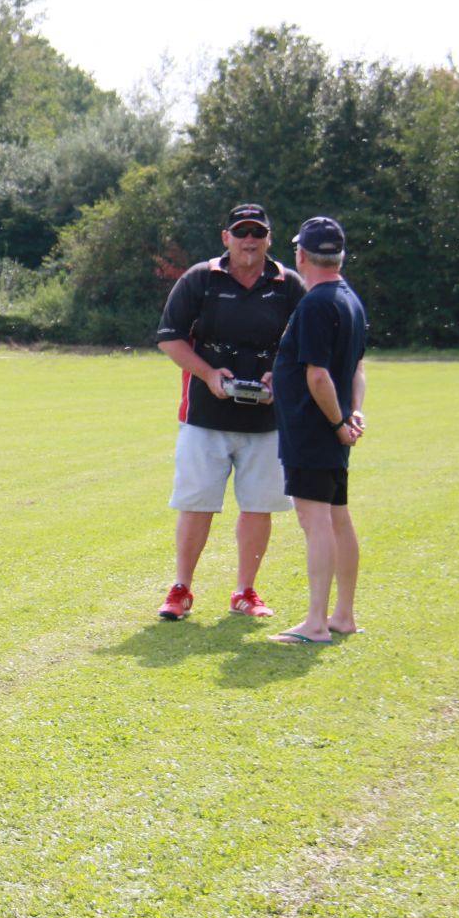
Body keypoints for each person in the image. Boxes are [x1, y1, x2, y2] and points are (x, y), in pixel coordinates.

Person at [154, 205, 307, 621]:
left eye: (257, 232)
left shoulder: (288, 284)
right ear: (226, 237)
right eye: (241, 232)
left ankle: (245, 591)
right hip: (205, 416)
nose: (249, 240)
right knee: (196, 502)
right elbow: (170, 338)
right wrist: (208, 374)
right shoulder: (200, 278)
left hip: (266, 420)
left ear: (269, 238)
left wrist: (279, 376)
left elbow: (306, 343)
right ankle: (181, 588)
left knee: (258, 505)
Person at [269, 215, 369, 645]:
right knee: (337, 516)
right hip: (333, 427)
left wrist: (337, 422)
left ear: (301, 256)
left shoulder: (315, 304)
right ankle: (342, 615)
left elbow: (318, 375)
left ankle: (315, 623)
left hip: (313, 429)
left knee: (315, 520)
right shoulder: (350, 299)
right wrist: (353, 413)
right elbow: (358, 368)